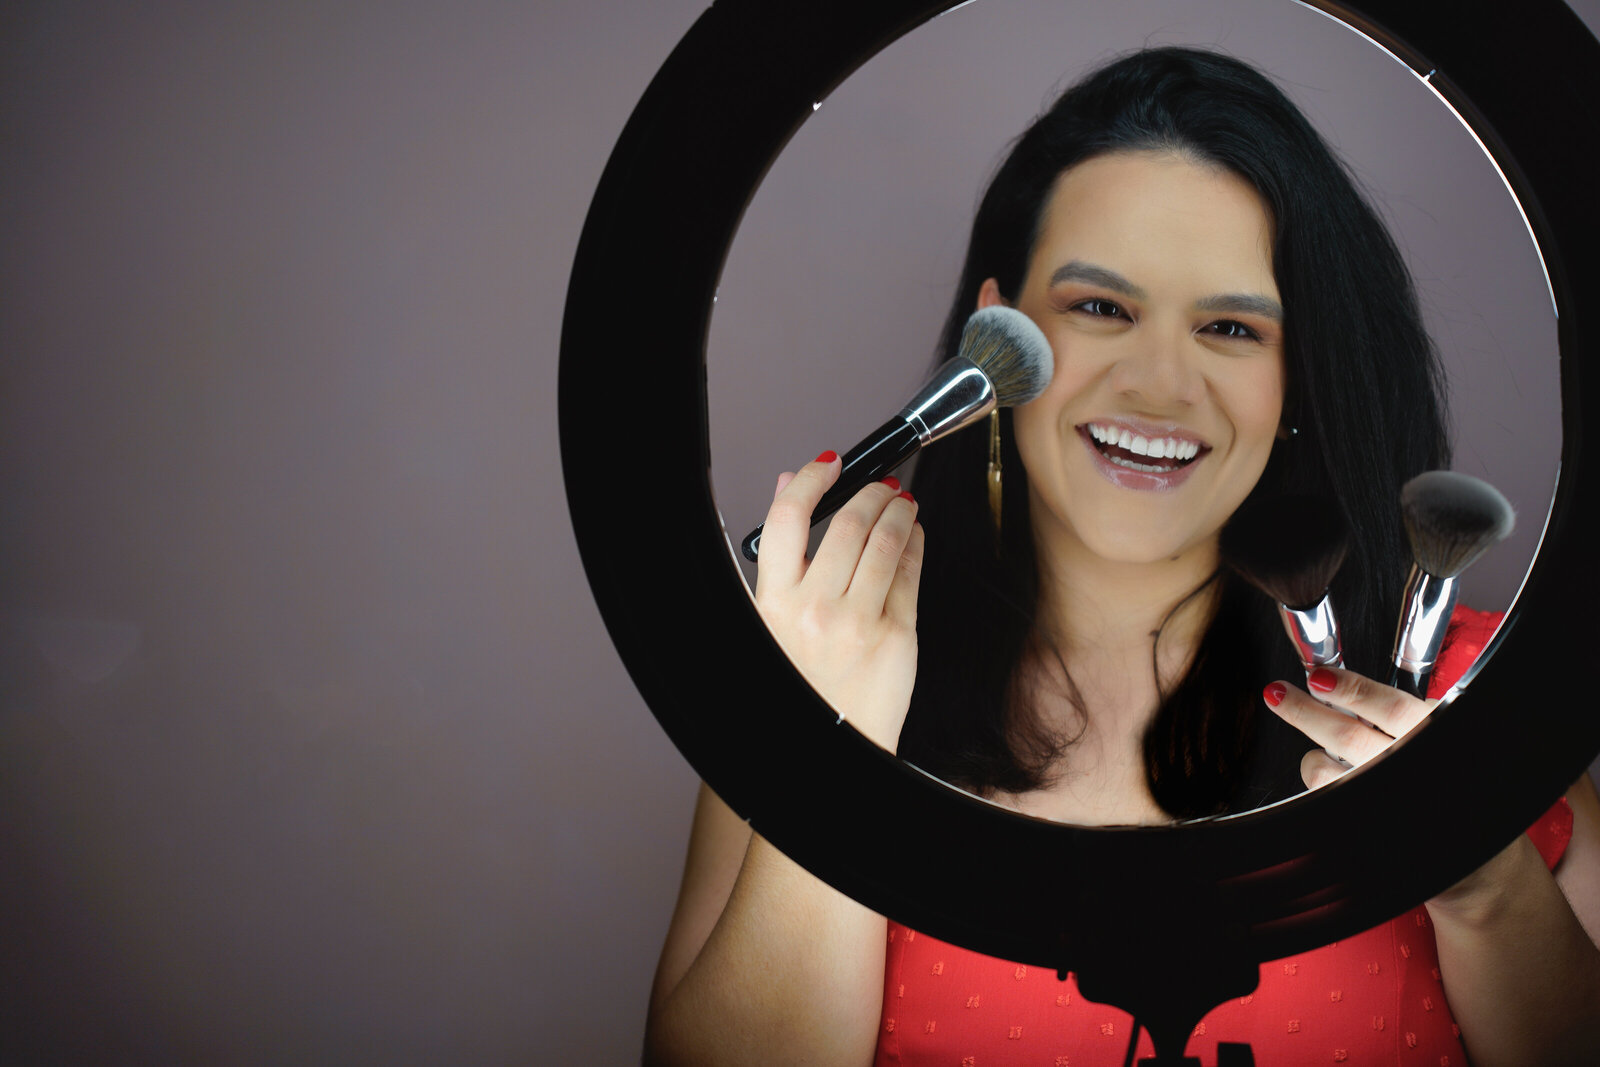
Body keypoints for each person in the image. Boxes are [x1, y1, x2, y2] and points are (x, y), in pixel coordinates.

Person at [644, 47, 1600, 1066]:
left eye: (1230, 326)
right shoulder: (815, 670)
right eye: (1100, 307)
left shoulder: (1465, 687)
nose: (1157, 383)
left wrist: (1486, 886)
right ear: (993, 333)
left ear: (1298, 381)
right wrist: (831, 760)